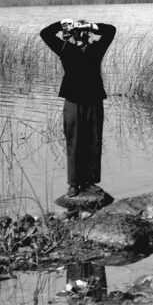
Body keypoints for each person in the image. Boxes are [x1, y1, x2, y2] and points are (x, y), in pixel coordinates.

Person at [40, 18, 116, 197]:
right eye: (76, 31)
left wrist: (90, 25)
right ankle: (74, 184)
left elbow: (111, 30)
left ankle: (89, 182)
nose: (80, 34)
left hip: (94, 100)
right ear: (71, 34)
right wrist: (62, 23)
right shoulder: (65, 48)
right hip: (73, 101)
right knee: (74, 143)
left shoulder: (97, 48)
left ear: (89, 33)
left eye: (83, 31)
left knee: (94, 141)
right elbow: (45, 34)